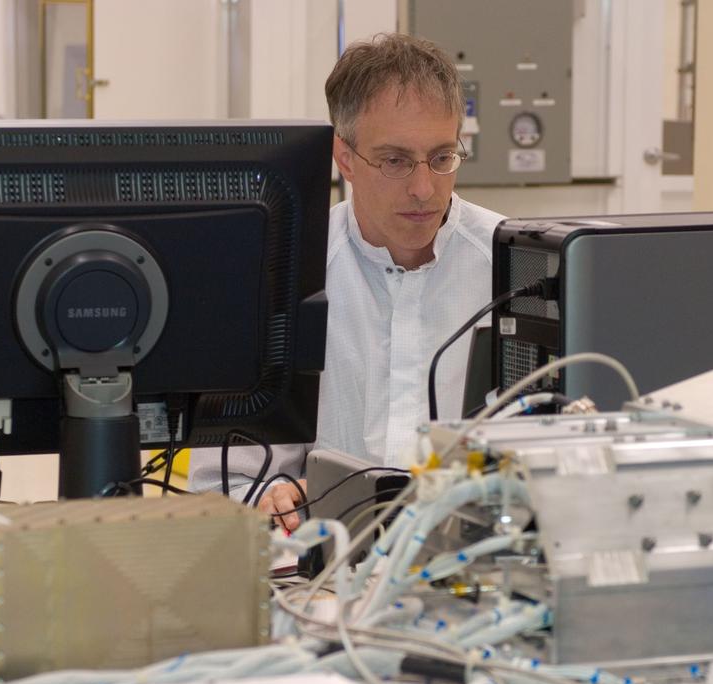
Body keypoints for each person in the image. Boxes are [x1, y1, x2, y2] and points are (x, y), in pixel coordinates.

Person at [189, 33, 504, 530]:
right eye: (395, 161)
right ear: (345, 157)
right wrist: (271, 497)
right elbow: (222, 480)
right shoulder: (280, 273)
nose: (424, 188)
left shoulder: (512, 267)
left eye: (442, 158)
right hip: (326, 576)